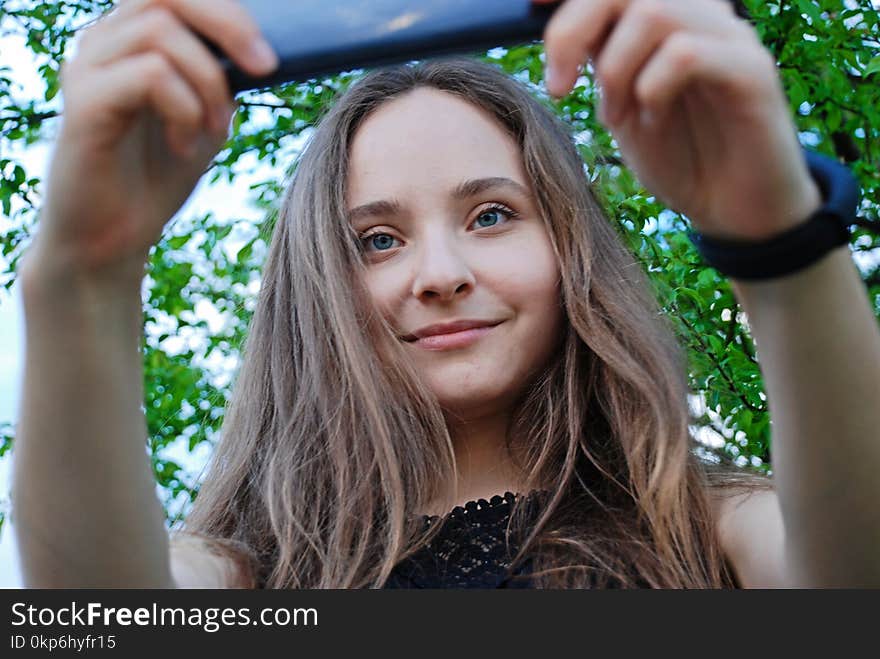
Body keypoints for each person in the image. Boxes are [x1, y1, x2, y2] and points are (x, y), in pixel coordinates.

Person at [12, 0, 880, 589]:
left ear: (572, 247)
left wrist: (776, 236)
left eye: (493, 214)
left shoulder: (716, 529)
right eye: (378, 239)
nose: (438, 273)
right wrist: (83, 271)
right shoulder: (239, 573)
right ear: (318, 289)